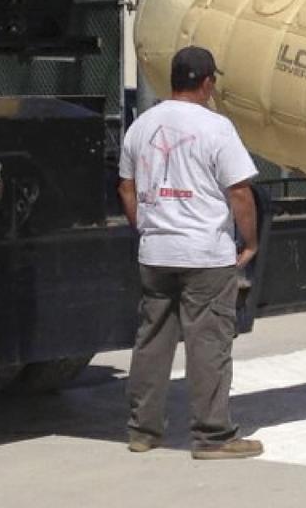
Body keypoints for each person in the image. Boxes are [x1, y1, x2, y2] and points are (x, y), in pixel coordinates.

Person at [117, 46, 264, 459]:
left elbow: (126, 187)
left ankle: (143, 431)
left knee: (152, 340)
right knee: (208, 343)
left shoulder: (142, 126)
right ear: (207, 82)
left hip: (155, 251)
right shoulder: (216, 128)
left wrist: (146, 226)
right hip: (204, 254)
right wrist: (250, 242)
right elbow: (240, 192)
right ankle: (213, 437)